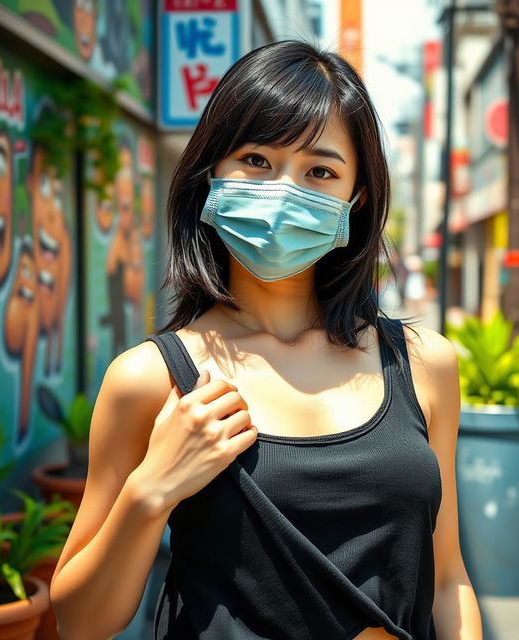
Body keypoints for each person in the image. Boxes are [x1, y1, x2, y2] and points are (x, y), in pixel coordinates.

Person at [50, 40, 482, 640]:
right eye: (256, 159)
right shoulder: (150, 378)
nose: (283, 190)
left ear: (355, 199)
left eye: (320, 171)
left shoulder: (422, 362)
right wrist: (152, 490)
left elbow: (447, 579)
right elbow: (79, 622)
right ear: (211, 173)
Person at [403, 254, 428, 319]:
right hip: (411, 278)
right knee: (410, 295)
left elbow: (422, 268)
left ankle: (420, 310)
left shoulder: (417, 258)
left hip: (417, 278)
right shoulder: (408, 259)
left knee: (419, 295)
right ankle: (410, 311)